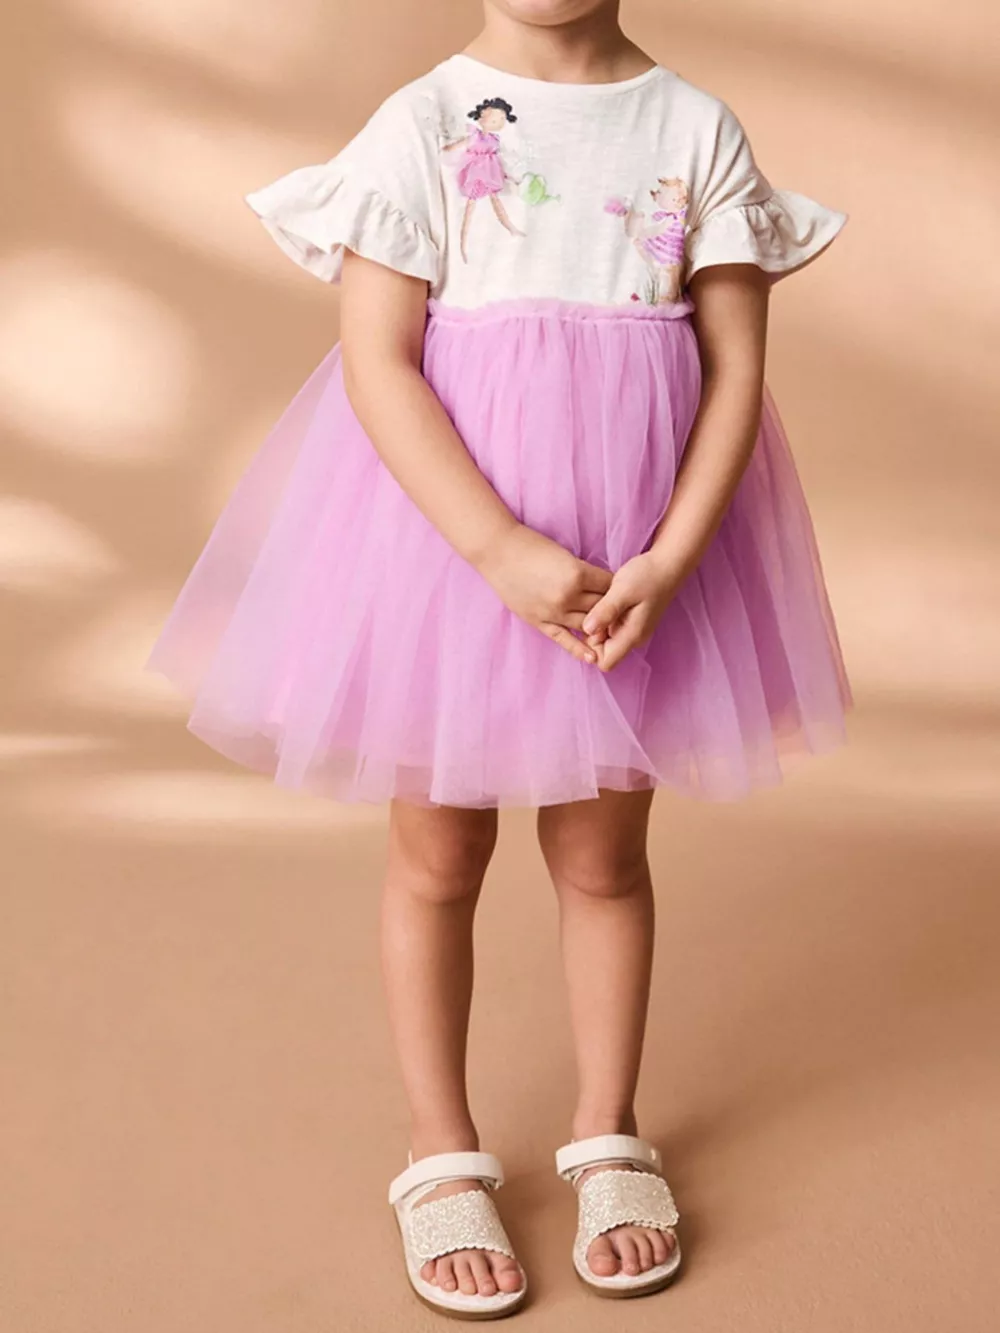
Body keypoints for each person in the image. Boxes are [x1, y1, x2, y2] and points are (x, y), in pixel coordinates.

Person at [145, 0, 851, 1318]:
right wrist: (496, 548)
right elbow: (378, 361)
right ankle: (441, 1149)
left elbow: (734, 373)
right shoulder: (421, 124)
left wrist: (672, 560)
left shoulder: (693, 129)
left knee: (604, 860)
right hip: (452, 560)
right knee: (437, 859)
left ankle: (608, 1130)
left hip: (627, 567)